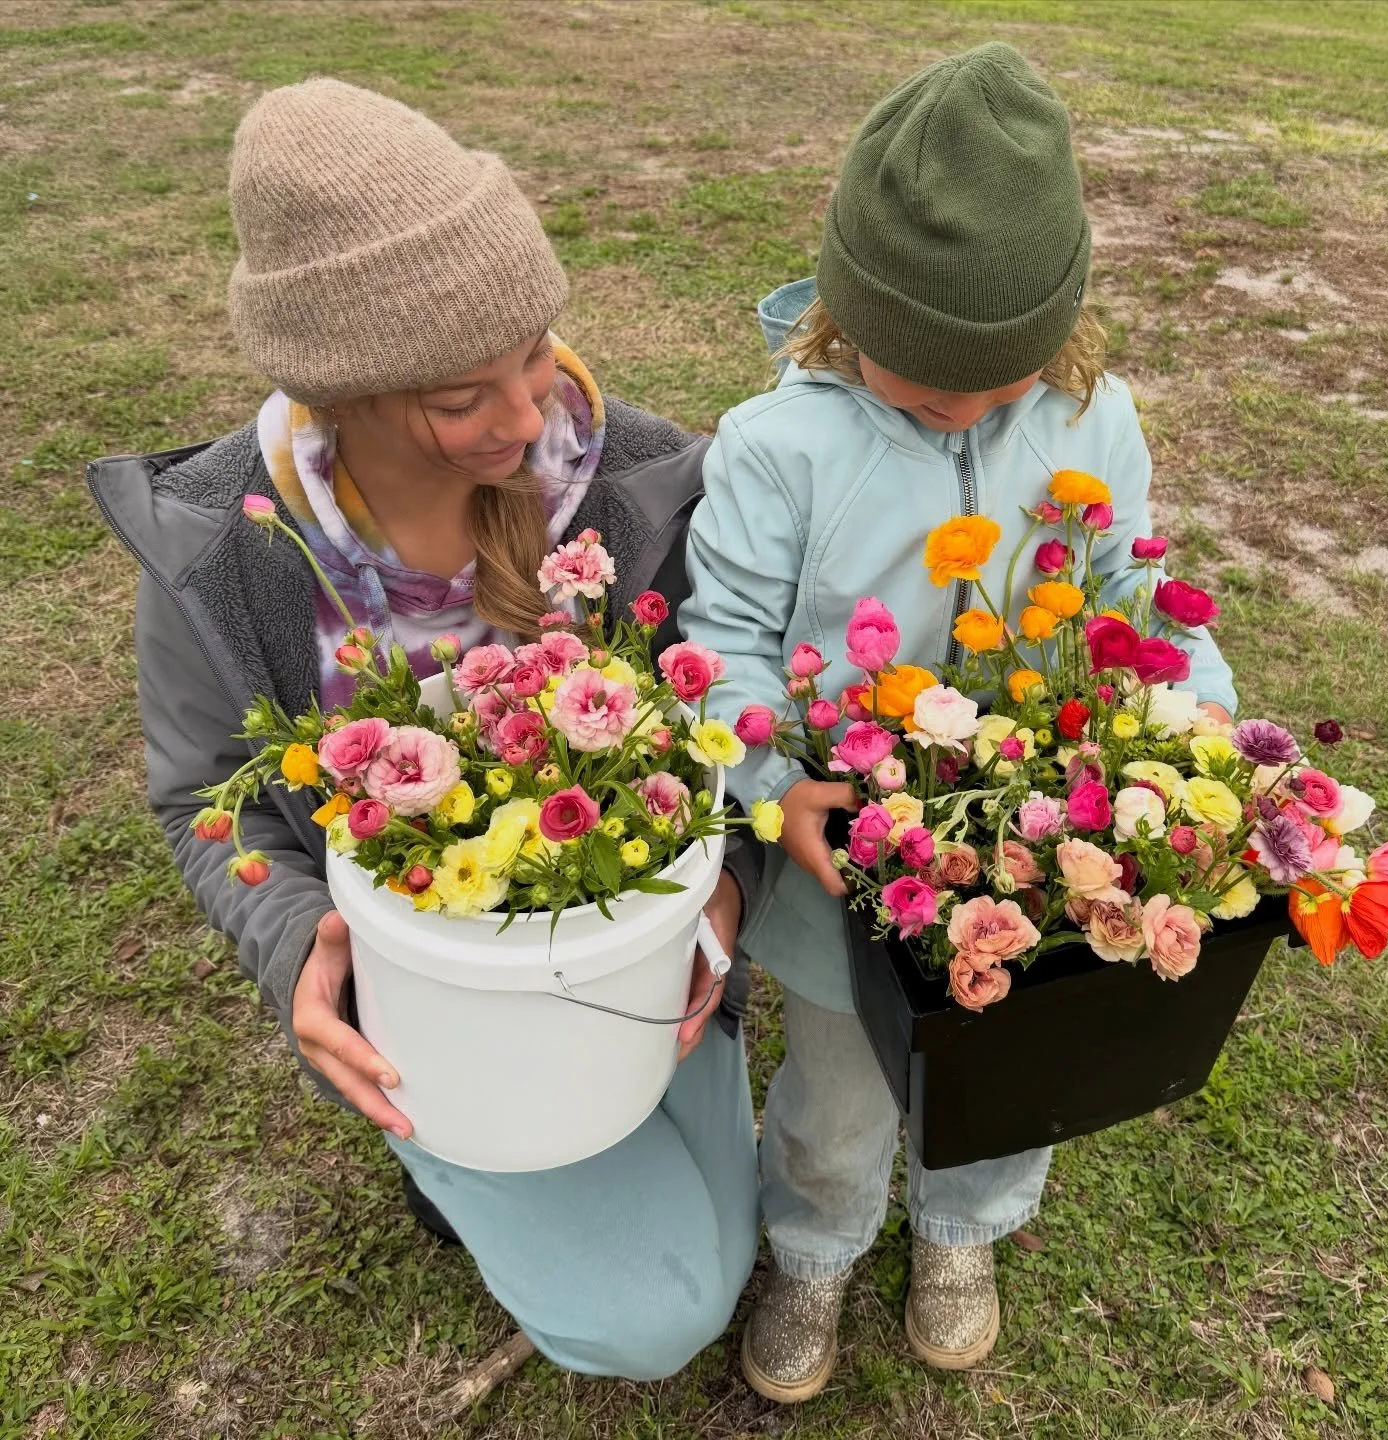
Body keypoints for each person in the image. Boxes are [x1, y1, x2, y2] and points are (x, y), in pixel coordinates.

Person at [88, 78, 760, 1382]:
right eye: (467, 396)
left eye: (536, 351)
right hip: (436, 991)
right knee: (659, 1317)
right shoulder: (226, 553)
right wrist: (298, 956)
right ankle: (454, 1152)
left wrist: (722, 900)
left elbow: (741, 718)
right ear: (346, 392)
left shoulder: (634, 482)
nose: (531, 419)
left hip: (634, 949)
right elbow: (202, 795)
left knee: (731, 1243)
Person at [680, 44, 1236, 1403]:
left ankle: (963, 1228)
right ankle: (811, 1244)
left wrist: (1199, 723)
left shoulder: (1091, 416)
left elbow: (1135, 589)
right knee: (841, 1085)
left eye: (1006, 385)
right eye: (933, 397)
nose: (977, 415)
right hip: (848, 857)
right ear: (848, 317)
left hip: (1033, 834)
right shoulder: (776, 448)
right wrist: (768, 778)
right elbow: (725, 649)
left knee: (1012, 1053)